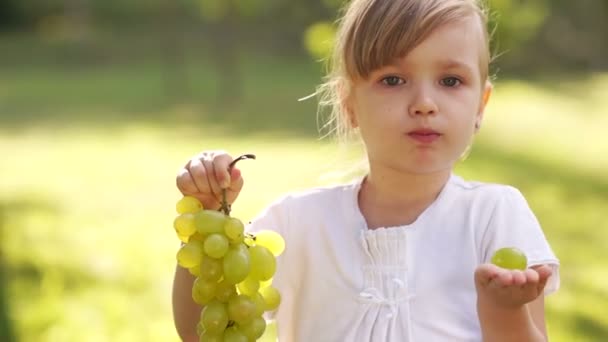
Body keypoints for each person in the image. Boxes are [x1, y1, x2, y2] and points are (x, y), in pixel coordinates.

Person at [172, 0, 560, 341]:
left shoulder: (494, 215)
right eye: (393, 80)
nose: (424, 102)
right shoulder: (296, 224)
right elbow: (202, 331)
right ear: (349, 104)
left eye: (450, 80)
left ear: (481, 104)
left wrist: (505, 312)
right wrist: (207, 221)